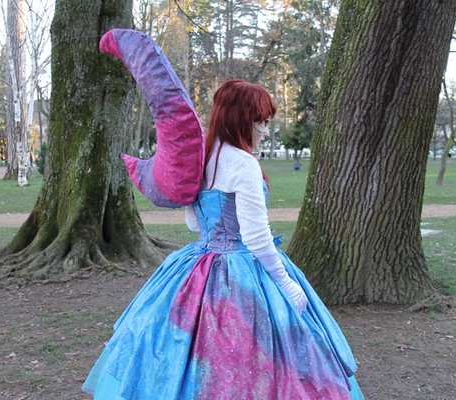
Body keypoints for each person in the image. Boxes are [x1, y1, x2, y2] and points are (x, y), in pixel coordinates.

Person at [82, 79, 364, 399]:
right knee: (257, 357)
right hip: (244, 270)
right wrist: (286, 283)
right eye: (262, 121)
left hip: (196, 267)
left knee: (180, 351)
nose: (264, 130)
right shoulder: (243, 164)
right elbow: (256, 239)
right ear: (242, 119)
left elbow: (193, 223)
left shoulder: (199, 159)